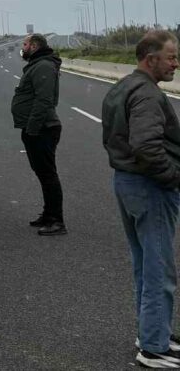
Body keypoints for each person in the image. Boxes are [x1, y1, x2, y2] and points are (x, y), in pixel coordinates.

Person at [102, 30, 180, 368]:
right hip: (149, 187)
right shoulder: (147, 95)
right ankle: (152, 348)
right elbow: (147, 147)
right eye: (171, 57)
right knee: (159, 269)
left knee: (145, 266)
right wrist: (173, 178)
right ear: (151, 59)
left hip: (127, 182)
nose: (176, 64)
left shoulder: (122, 87)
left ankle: (152, 333)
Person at [11, 32, 65, 235]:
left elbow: (44, 100)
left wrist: (32, 129)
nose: (22, 48)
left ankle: (57, 221)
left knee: (48, 174)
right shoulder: (38, 64)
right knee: (43, 174)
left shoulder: (43, 66)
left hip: (43, 129)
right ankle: (48, 214)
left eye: (24, 44)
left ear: (33, 46)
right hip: (35, 129)